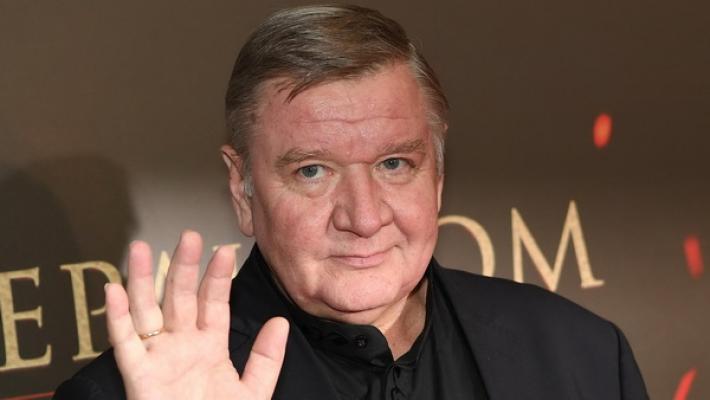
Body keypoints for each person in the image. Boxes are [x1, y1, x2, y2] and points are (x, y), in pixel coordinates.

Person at [55, 4, 649, 399]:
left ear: (438, 176)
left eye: (394, 164)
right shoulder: (124, 396)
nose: (364, 218)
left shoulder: (584, 355)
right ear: (243, 189)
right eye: (312, 171)